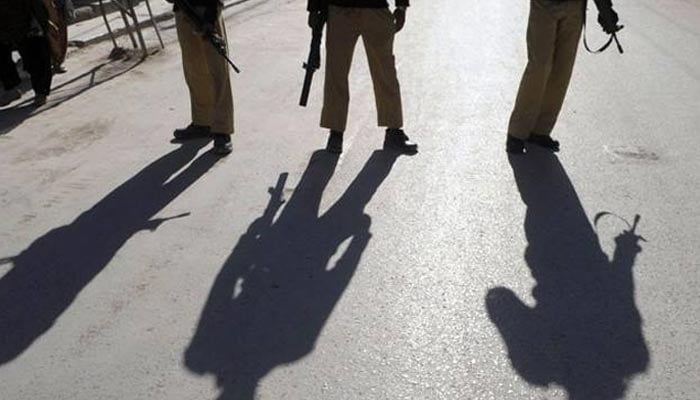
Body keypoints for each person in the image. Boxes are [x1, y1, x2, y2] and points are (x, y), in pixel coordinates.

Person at [506, 0, 621, 155]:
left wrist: (605, 9)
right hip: (544, 5)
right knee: (540, 66)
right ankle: (517, 132)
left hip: (574, 8)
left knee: (562, 69)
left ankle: (540, 130)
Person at [308, 0, 417, 154]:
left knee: (386, 73)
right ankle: (335, 133)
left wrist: (401, 6)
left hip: (375, 9)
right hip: (340, 11)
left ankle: (393, 130)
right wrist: (313, 8)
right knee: (336, 72)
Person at [168, 0, 234, 156]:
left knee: (218, 72)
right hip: (183, 10)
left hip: (208, 10)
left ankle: (222, 130)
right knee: (194, 70)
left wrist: (210, 16)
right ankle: (203, 122)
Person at [0, 0, 53, 107]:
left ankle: (41, 92)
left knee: (36, 57)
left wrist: (42, 23)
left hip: (26, 21)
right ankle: (11, 88)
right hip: (3, 23)